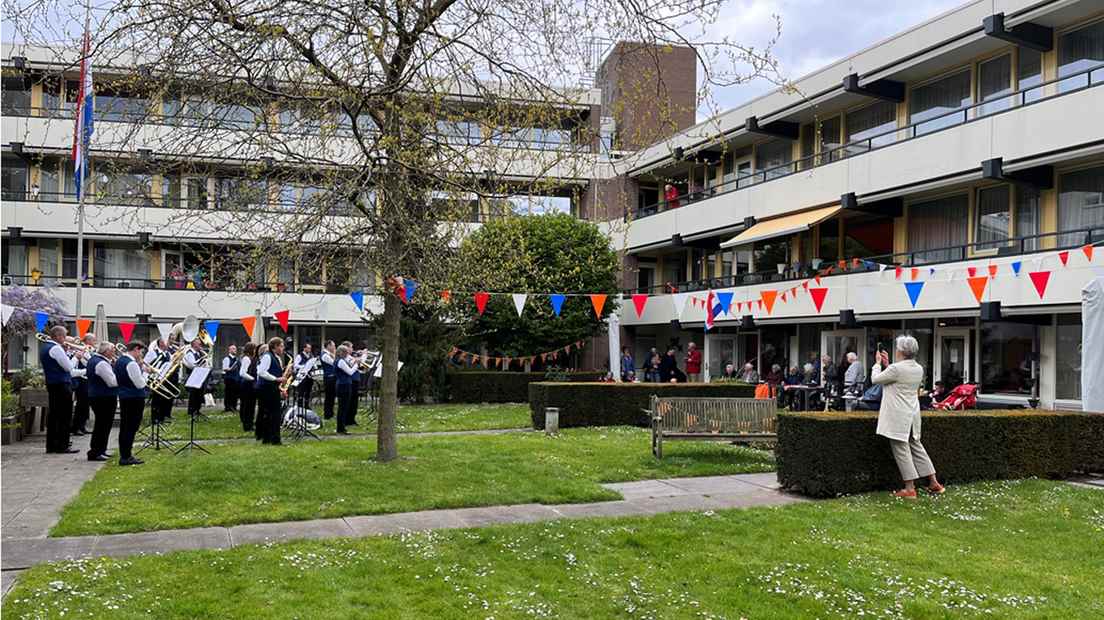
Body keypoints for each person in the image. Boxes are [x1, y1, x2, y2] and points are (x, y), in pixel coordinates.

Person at [872, 335, 945, 499]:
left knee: (901, 449)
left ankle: (909, 488)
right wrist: (888, 364)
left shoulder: (896, 369)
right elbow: (898, 375)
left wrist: (877, 363)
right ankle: (934, 483)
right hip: (912, 414)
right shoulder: (918, 368)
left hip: (898, 415)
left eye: (897, 348)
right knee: (917, 447)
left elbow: (875, 379)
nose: (896, 350)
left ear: (902, 351)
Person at [40, 325, 84, 454]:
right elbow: (68, 368)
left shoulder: (46, 347)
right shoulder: (56, 348)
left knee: (54, 415)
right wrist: (76, 357)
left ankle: (52, 445)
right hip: (61, 384)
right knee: (64, 415)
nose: (65, 339)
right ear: (58, 336)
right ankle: (62, 445)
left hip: (52, 383)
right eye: (64, 336)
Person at [115, 341, 149, 466]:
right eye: (140, 351)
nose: (141, 354)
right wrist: (145, 372)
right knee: (130, 428)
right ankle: (126, 456)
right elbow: (140, 384)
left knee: (125, 427)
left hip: (125, 397)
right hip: (134, 398)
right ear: (135, 349)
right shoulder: (131, 363)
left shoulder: (120, 360)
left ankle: (125, 455)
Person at [85, 342, 118, 462]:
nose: (114, 352)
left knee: (103, 425)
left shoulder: (96, 360)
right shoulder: (102, 363)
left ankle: (101, 450)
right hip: (103, 397)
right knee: (102, 425)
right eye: (112, 350)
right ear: (106, 351)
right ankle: (96, 451)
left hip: (98, 396)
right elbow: (112, 382)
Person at [254, 337, 285, 445]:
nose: (283, 348)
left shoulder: (275, 357)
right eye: (281, 346)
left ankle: (268, 438)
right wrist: (276, 379)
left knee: (270, 414)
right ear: (275, 346)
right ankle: (274, 439)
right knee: (274, 414)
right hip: (266, 388)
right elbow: (261, 372)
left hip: (271, 387)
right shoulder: (268, 356)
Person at [69, 333, 97, 436]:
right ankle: (76, 427)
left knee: (85, 405)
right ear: (88, 341)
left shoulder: (88, 350)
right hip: (81, 380)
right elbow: (87, 364)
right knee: (82, 404)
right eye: (94, 341)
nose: (95, 343)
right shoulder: (79, 351)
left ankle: (82, 426)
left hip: (86, 380)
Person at [145, 338, 175, 424]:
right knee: (156, 400)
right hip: (155, 379)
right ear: (161, 343)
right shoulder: (152, 353)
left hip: (165, 379)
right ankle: (155, 419)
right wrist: (151, 371)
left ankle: (162, 418)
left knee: (164, 399)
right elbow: (145, 365)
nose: (169, 343)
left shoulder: (168, 354)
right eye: (167, 341)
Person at [181, 338, 208, 418]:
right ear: (193, 344)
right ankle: (192, 411)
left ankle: (197, 410)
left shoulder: (200, 353)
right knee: (193, 394)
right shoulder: (190, 353)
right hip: (192, 376)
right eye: (198, 343)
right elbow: (192, 365)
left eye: (200, 343)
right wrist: (200, 362)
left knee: (199, 394)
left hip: (199, 375)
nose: (200, 345)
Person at [334, 345, 357, 435]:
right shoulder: (340, 361)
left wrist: (353, 362)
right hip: (344, 385)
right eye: (346, 352)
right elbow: (350, 372)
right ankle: (341, 428)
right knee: (343, 408)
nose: (348, 354)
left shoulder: (340, 361)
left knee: (343, 407)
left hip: (343, 384)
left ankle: (341, 427)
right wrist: (356, 364)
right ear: (342, 352)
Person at [237, 342, 257, 433]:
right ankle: (247, 424)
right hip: (247, 384)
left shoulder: (247, 358)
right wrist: (253, 379)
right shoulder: (246, 359)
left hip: (247, 384)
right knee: (248, 405)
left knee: (248, 405)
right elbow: (242, 373)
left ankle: (248, 422)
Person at [251, 344, 268, 440]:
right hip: (261, 386)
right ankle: (259, 432)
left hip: (261, 386)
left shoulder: (261, 360)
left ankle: (260, 432)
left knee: (262, 410)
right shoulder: (261, 360)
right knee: (262, 410)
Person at [293, 343, 315, 409]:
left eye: (310, 348)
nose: (310, 349)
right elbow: (295, 365)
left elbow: (313, 364)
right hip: (302, 376)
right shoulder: (299, 356)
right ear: (304, 348)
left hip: (309, 376)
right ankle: (299, 405)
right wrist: (304, 366)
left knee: (308, 391)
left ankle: (306, 405)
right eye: (308, 348)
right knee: (301, 391)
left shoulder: (311, 356)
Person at [320, 340, 337, 420]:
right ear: (328, 346)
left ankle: (331, 413)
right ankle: (328, 414)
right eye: (333, 345)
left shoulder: (328, 354)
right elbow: (334, 363)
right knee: (329, 396)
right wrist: (334, 354)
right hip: (329, 377)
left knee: (332, 396)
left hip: (332, 377)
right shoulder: (325, 355)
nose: (334, 347)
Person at [221, 344, 239, 412]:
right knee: (229, 393)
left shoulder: (236, 359)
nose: (235, 350)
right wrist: (231, 368)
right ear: (229, 350)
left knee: (235, 393)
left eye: (235, 349)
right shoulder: (227, 358)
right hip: (229, 378)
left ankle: (234, 406)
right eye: (233, 349)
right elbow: (225, 368)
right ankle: (228, 407)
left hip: (235, 378)